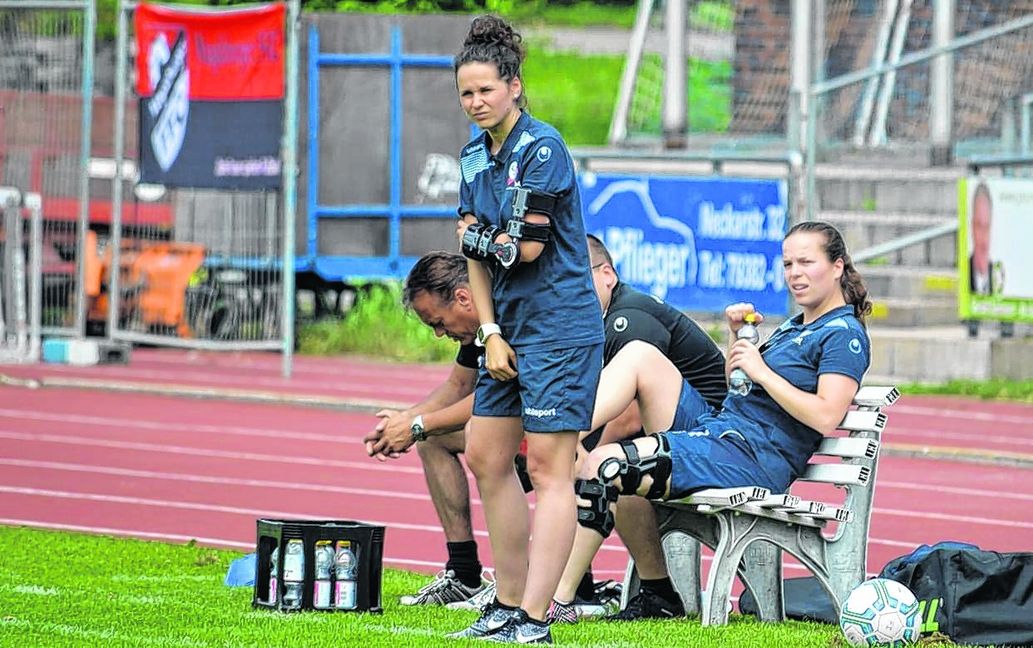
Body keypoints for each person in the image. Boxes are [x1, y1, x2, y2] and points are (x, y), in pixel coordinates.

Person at [365, 242, 729, 622]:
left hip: (698, 439)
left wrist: (584, 460)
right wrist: (408, 421)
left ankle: (563, 593)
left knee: (591, 461)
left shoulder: (626, 319)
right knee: (449, 440)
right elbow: (461, 389)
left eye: (438, 323)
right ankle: (466, 573)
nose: (439, 334)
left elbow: (629, 416)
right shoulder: (495, 322)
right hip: (606, 426)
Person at [569, 221, 872, 622]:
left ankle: (556, 601)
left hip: (753, 458)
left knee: (606, 464)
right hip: (724, 431)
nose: (794, 273)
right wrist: (737, 340)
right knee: (641, 355)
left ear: (837, 267)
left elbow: (826, 414)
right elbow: (741, 390)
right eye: (787, 264)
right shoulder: (795, 327)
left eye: (806, 262)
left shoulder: (843, 334)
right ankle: (565, 429)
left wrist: (762, 370)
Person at [452, 14, 604, 643]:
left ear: (514, 85)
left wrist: (478, 238)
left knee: (548, 468)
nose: (476, 102)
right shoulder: (470, 155)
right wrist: (486, 331)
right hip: (509, 330)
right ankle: (506, 600)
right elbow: (475, 258)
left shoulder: (544, 149)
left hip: (560, 329)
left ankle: (537, 617)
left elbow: (524, 249)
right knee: (485, 454)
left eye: (486, 89)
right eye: (466, 93)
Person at [969, 182, 1002, 296]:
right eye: (979, 227)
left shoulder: (998, 275)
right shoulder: (964, 270)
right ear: (972, 227)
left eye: (986, 228)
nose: (983, 238)